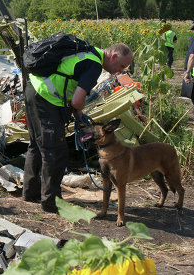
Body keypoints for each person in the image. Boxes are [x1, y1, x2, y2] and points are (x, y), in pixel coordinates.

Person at [23, 42, 133, 213]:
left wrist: (77, 112)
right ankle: (51, 203)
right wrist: (78, 109)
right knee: (55, 153)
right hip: (46, 98)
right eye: (121, 66)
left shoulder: (88, 50)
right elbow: (76, 101)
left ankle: (30, 193)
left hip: (33, 89)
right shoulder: (94, 65)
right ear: (113, 57)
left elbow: (69, 84)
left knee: (36, 145)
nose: (120, 71)